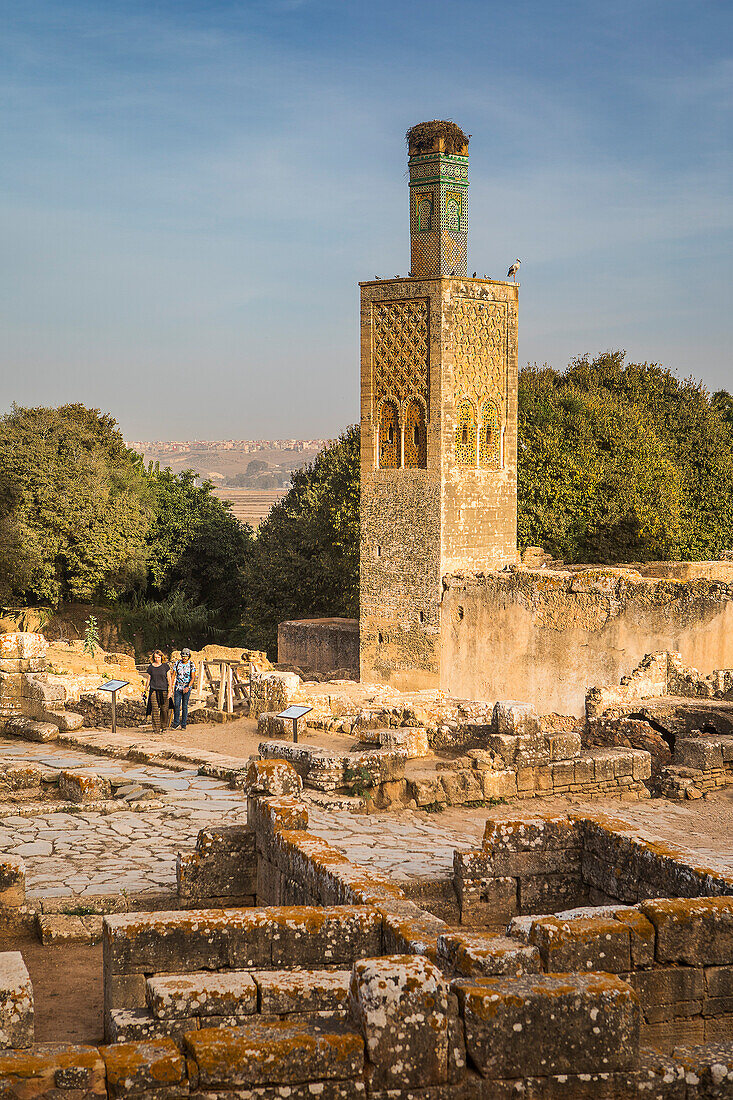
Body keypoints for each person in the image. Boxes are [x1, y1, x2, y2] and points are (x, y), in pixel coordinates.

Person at [143, 650, 173, 733]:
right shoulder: (151, 667)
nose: (157, 659)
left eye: (158, 657)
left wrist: (170, 690)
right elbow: (149, 679)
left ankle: (164, 726)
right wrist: (145, 689)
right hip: (153, 690)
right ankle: (156, 728)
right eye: (155, 657)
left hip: (164, 690)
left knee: (164, 709)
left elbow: (169, 679)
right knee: (155, 709)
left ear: (161, 657)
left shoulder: (165, 666)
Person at [171, 647, 196, 730]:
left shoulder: (191, 664)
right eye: (183, 656)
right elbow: (173, 675)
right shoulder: (177, 663)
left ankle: (184, 724)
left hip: (186, 686)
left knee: (185, 705)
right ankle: (176, 723)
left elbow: (192, 678)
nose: (184, 658)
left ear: (189, 656)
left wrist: (188, 687)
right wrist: (171, 685)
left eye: (186, 656)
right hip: (178, 686)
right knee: (177, 705)